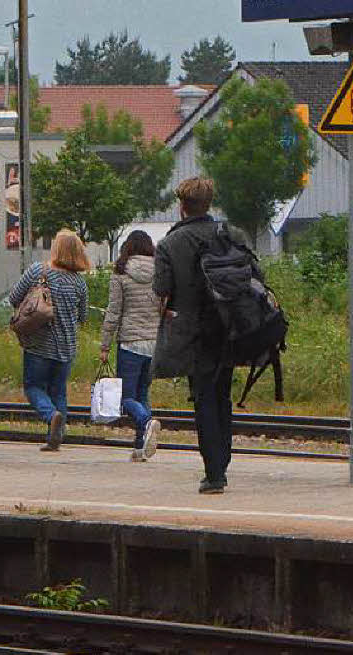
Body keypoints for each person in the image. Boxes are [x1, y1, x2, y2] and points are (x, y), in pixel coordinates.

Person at [152, 177, 250, 495]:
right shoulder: (230, 234)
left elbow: (161, 292)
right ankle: (223, 460)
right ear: (209, 204)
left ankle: (215, 472)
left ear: (183, 206)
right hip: (231, 327)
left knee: (204, 398)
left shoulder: (170, 244)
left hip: (195, 333)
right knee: (222, 395)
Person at [9, 230, 89, 452]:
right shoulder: (79, 282)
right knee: (59, 391)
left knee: (34, 387)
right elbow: (83, 317)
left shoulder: (38, 271)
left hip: (38, 344)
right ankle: (56, 437)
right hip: (66, 347)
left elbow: (14, 297)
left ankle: (49, 414)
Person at [100, 230, 163, 461]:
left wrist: (105, 344)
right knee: (142, 393)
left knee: (125, 398)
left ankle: (146, 423)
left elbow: (114, 313)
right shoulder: (160, 272)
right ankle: (140, 447)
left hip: (130, 344)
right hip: (155, 343)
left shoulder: (120, 272)